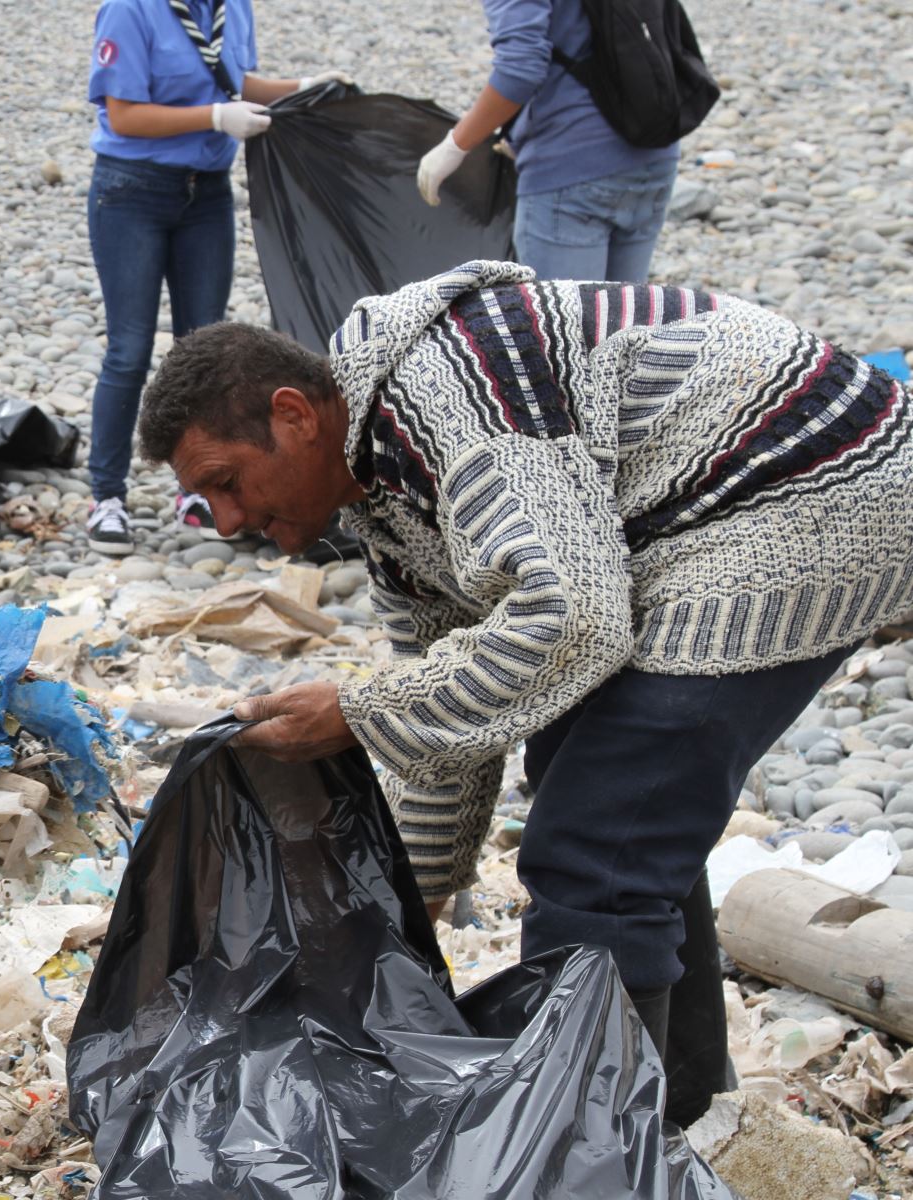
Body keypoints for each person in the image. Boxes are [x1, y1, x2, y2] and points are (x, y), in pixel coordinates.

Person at [134, 259, 913, 1126]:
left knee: (599, 837)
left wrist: (357, 714)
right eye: (208, 503)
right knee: (596, 779)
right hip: (698, 517)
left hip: (815, 490)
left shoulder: (447, 401)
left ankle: (593, 1156)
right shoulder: (381, 501)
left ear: (294, 414)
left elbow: (573, 622)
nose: (230, 521)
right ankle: (683, 1112)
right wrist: (411, 924)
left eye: (227, 482)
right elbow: (455, 720)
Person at [82, 0, 348, 554]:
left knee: (205, 353)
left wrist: (303, 86)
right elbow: (124, 112)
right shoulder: (131, 10)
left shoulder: (229, 8)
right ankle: (106, 494)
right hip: (132, 191)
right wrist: (214, 117)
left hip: (206, 192)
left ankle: (200, 490)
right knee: (128, 350)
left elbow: (229, 77)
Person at [416, 0, 679, 282]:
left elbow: (519, 71)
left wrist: (456, 145)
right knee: (626, 320)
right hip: (654, 155)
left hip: (572, 174)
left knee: (565, 321)